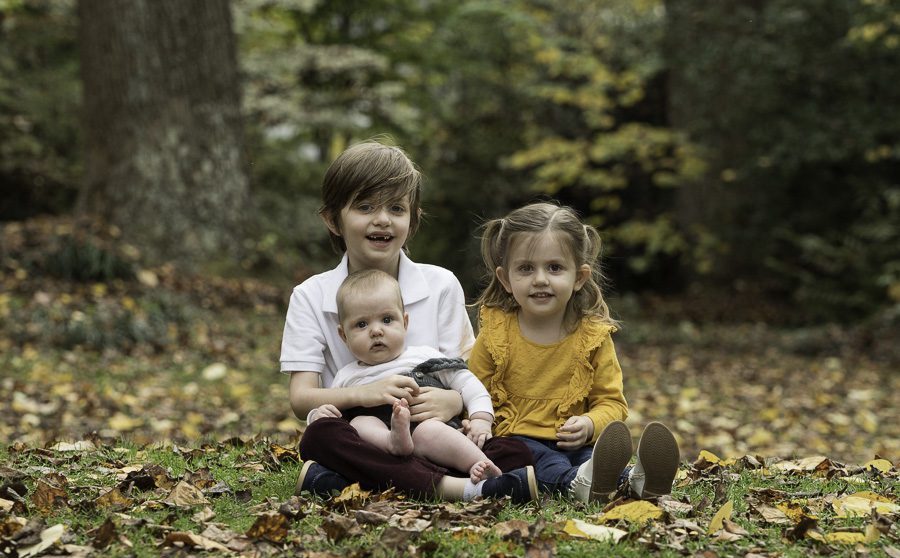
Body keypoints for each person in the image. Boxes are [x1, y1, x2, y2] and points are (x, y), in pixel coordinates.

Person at [281, 140, 535, 502]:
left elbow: (464, 373)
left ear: (413, 219)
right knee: (322, 437)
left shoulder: (440, 284)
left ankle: (340, 483)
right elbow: (301, 398)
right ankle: (458, 488)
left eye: (396, 208)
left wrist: (451, 402)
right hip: (365, 437)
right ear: (332, 220)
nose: (382, 219)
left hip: (434, 432)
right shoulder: (311, 295)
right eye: (365, 206)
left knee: (516, 451)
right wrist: (364, 393)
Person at [468, 201, 681, 503]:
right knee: (543, 463)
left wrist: (590, 424)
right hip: (516, 439)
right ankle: (574, 485)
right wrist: (477, 420)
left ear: (579, 277)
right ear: (505, 279)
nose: (540, 279)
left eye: (554, 268)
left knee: (590, 458)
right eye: (526, 268)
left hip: (573, 440)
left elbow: (611, 403)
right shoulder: (497, 332)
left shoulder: (592, 337)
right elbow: (473, 389)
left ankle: (636, 480)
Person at [308, 269, 501, 483]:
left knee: (429, 431)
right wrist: (320, 414)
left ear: (405, 322)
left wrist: (481, 418)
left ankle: (478, 464)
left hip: (430, 437)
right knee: (361, 422)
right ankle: (394, 441)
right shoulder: (347, 376)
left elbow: (468, 383)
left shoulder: (423, 356)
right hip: (383, 450)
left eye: (387, 319)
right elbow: (336, 419)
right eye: (362, 324)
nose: (376, 331)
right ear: (344, 335)